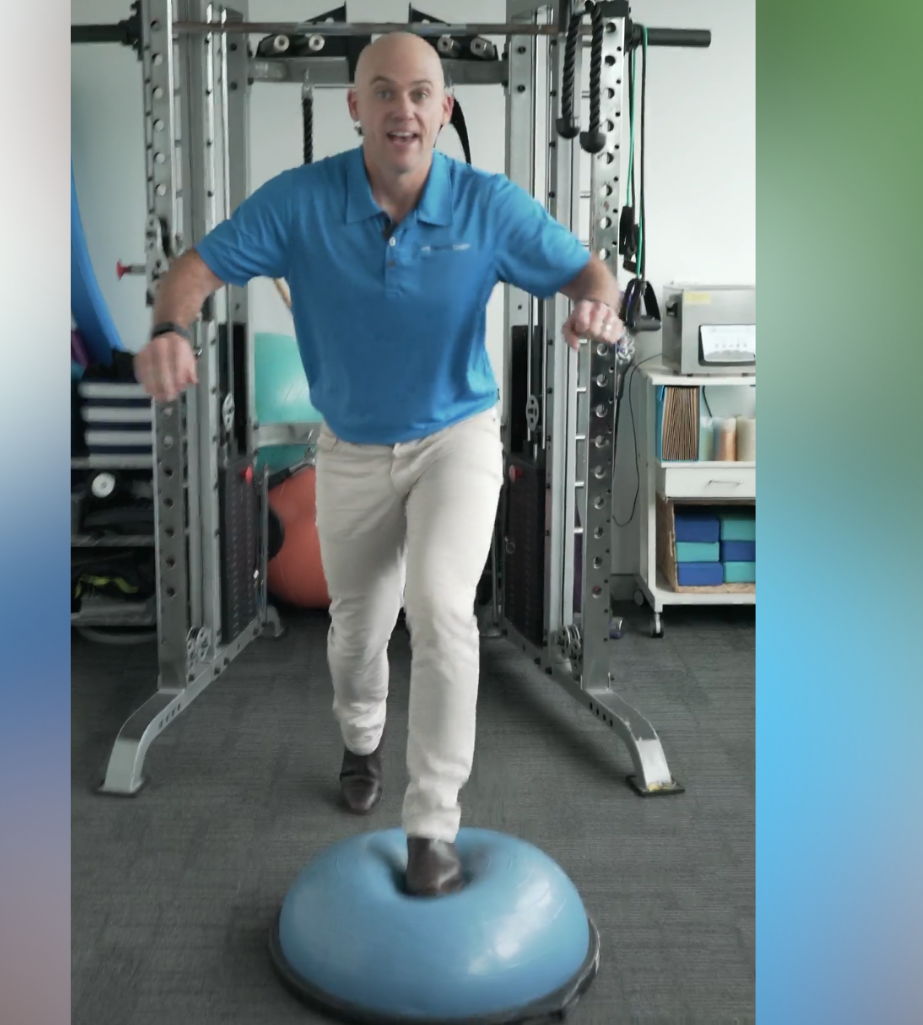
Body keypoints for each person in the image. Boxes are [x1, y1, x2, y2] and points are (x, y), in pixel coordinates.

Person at [134, 32, 625, 897]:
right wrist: (172, 328)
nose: (404, 108)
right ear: (355, 107)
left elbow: (592, 274)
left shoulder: (487, 204)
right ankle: (361, 736)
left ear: (445, 109)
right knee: (359, 633)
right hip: (351, 447)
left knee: (441, 608)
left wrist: (595, 306)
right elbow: (193, 270)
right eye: (385, 92)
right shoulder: (300, 203)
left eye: (422, 93)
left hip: (457, 437)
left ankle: (433, 822)